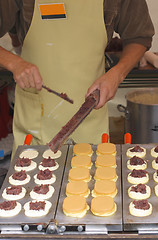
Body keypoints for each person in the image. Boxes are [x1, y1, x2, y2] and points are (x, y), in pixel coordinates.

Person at [0, 0, 155, 157]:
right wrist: (13, 62)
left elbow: (140, 36)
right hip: (35, 123)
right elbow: (15, 33)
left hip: (91, 117)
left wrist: (117, 73)